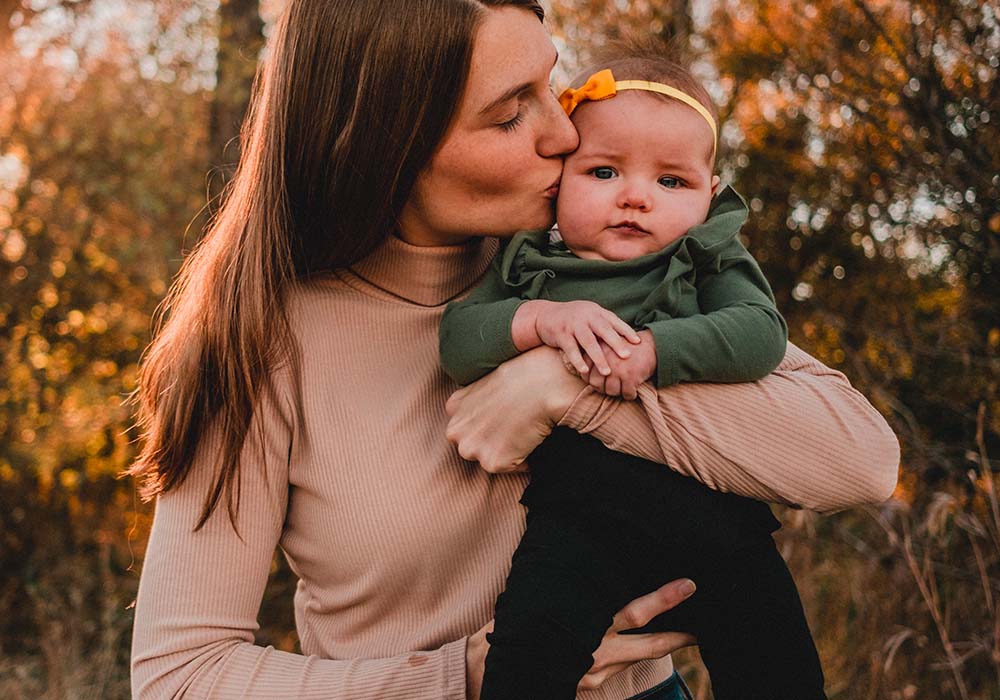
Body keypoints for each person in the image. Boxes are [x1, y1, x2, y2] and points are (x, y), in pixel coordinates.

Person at [128, 2, 900, 699]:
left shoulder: (593, 257)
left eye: (551, 86)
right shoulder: (259, 340)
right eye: (509, 116)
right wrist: (469, 675)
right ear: (390, 142)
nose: (566, 133)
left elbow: (860, 457)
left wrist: (567, 387)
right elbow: (181, 676)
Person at [440, 45, 825, 700]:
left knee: (776, 665)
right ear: (559, 181)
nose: (635, 198)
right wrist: (538, 321)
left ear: (708, 197)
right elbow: (458, 340)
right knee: (527, 654)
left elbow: (760, 334)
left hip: (713, 511)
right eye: (604, 171)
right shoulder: (530, 260)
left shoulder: (706, 255)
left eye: (670, 182)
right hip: (579, 514)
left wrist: (654, 350)